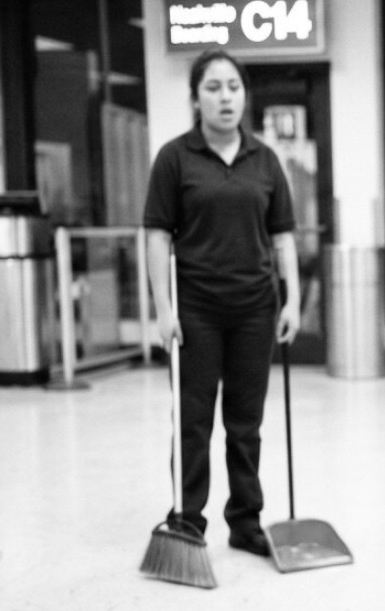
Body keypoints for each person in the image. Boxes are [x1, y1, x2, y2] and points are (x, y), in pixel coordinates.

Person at [143, 49, 301, 557]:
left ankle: (246, 520)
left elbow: (282, 238)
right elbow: (154, 237)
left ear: (244, 95)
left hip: (256, 308)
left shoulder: (265, 159)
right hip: (196, 311)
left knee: (245, 423)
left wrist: (293, 299)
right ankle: (187, 519)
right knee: (192, 420)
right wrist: (162, 310)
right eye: (213, 87)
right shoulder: (175, 158)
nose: (225, 96)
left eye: (233, 86)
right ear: (195, 99)